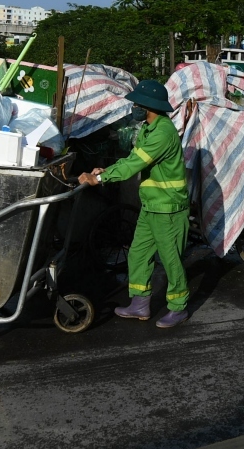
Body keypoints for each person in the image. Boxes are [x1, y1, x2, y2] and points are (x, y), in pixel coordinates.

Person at [78, 79, 191, 329]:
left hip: (169, 208)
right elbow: (132, 158)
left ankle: (178, 307)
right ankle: (140, 303)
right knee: (138, 254)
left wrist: (98, 178)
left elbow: (133, 166)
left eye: (138, 104)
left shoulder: (162, 132)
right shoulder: (149, 129)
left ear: (149, 106)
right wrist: (106, 170)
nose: (134, 108)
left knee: (171, 260)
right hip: (152, 206)